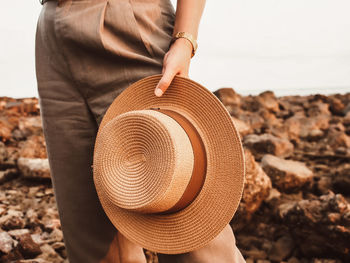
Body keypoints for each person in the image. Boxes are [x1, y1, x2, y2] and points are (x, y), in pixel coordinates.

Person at [35, 0, 246, 262]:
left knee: (190, 228)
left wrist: (185, 39)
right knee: (92, 241)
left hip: (126, 20)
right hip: (52, 30)